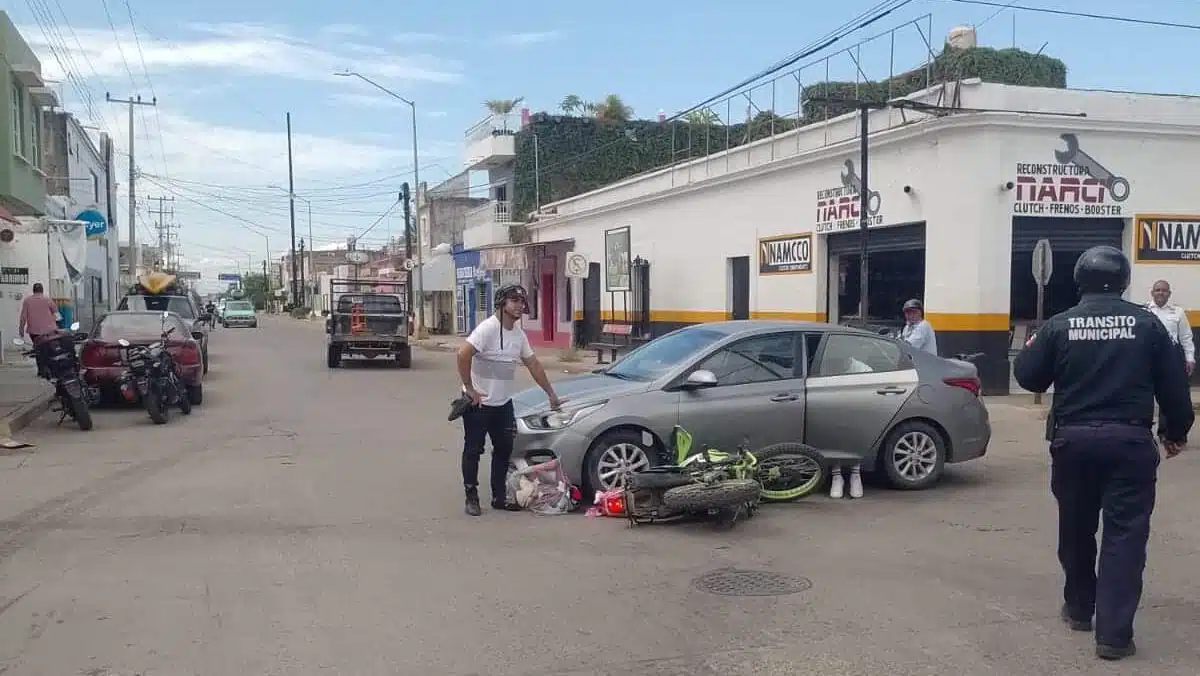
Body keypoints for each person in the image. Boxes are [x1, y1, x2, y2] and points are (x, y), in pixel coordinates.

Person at [1014, 245, 1193, 661]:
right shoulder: (1148, 326)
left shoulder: (1060, 325)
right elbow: (1175, 390)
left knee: (1076, 530)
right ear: (1126, 280)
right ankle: (1113, 636)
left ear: (1079, 280)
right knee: (1124, 538)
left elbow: (1028, 376)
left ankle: (1079, 609)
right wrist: (1174, 432)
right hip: (1129, 444)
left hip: (1072, 444)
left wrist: (1042, 342)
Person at [455, 284, 565, 517]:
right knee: (473, 450)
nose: (519, 305)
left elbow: (533, 364)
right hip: (479, 405)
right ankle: (471, 496)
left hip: (503, 404)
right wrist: (469, 388)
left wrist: (551, 394)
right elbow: (462, 354)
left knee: (504, 449)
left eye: (522, 301)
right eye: (514, 300)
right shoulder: (487, 329)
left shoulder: (518, 335)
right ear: (501, 303)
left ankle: (498, 497)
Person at [17, 283, 61, 378]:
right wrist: (58, 324)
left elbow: (23, 316)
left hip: (34, 332)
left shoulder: (27, 301)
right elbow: (57, 313)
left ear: (33, 290)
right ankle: (50, 369)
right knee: (50, 349)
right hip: (49, 331)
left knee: (38, 350)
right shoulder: (48, 300)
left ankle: (41, 370)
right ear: (42, 290)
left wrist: (21, 329)